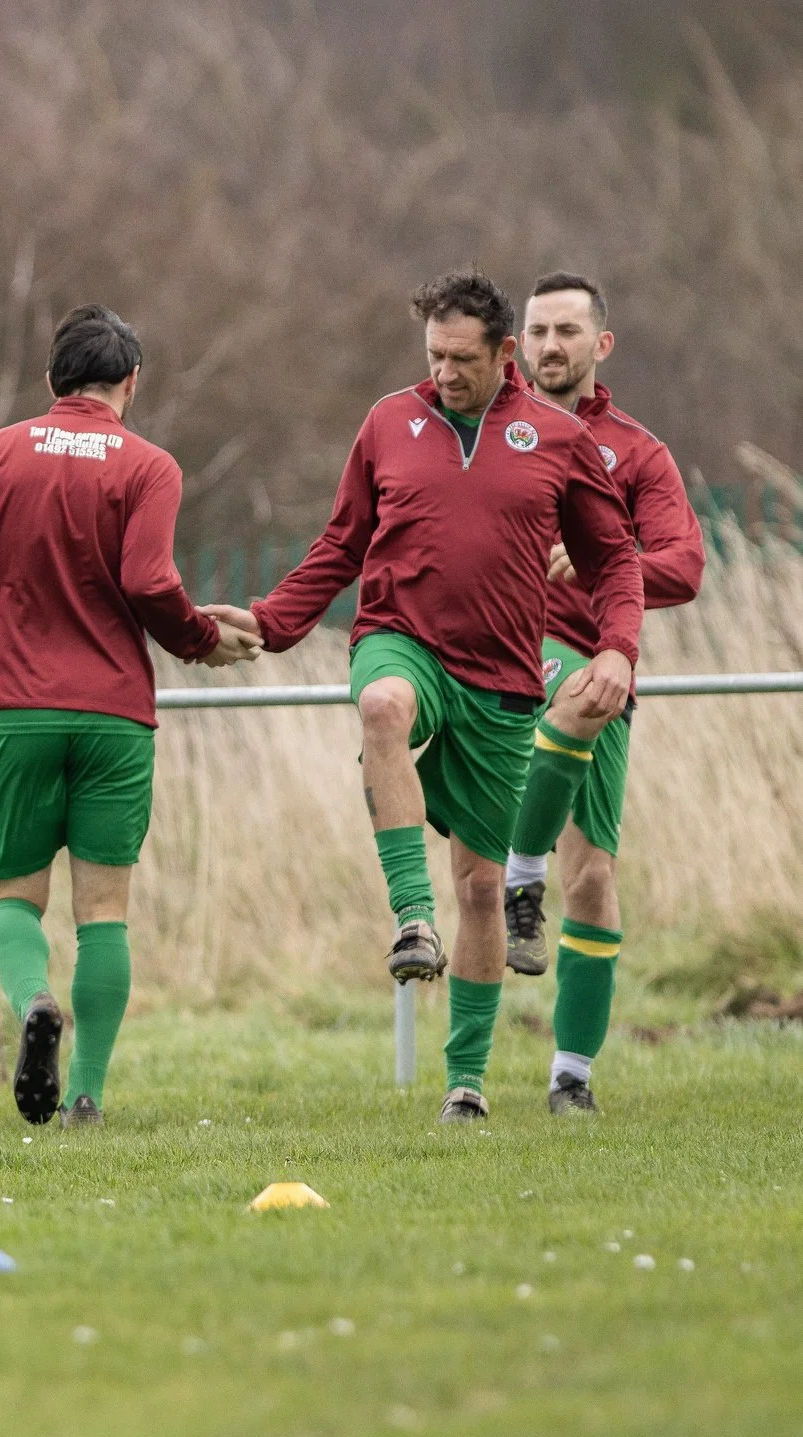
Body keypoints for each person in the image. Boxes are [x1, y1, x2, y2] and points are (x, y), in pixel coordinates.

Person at [245, 272, 643, 1122]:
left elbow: (615, 560)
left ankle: (466, 1081)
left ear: (507, 355)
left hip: (501, 680)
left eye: (463, 358)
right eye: (434, 355)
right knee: (382, 706)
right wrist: (270, 623)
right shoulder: (391, 421)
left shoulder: (559, 437)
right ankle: (409, 920)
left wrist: (616, 647)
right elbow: (341, 541)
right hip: (402, 639)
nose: (446, 372)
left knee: (482, 887)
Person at [0, 305, 260, 1127]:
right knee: (104, 908)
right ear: (130, 384)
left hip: (15, 710)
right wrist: (199, 640)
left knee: (12, 898)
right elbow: (149, 582)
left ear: (50, 380)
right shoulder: (149, 467)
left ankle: (37, 1001)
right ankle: (87, 1097)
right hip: (114, 716)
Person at [497, 273, 705, 1114]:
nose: (551, 347)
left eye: (567, 332)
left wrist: (601, 560)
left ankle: (570, 1079)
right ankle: (518, 874)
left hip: (600, 658)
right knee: (567, 689)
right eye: (538, 331)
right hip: (507, 660)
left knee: (593, 879)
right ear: (519, 344)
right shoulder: (488, 429)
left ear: (599, 345)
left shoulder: (637, 453)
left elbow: (686, 566)